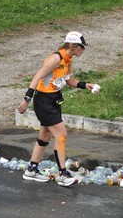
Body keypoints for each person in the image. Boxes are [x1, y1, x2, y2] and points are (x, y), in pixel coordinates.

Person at [17, 31, 99, 187]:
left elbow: (70, 80)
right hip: (43, 101)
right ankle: (62, 174)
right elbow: (37, 77)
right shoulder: (56, 58)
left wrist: (85, 85)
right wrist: (26, 99)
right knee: (61, 135)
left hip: (54, 99)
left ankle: (31, 169)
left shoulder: (68, 59)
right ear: (73, 45)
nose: (83, 50)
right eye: (82, 47)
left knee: (45, 136)